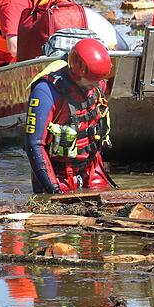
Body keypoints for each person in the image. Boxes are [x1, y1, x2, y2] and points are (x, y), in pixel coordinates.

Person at [25, 38, 114, 194]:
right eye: (92, 81)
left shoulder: (98, 84)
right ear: (77, 71)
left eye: (99, 80)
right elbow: (34, 145)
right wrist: (52, 189)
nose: (96, 85)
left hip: (92, 168)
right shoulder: (45, 91)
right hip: (60, 174)